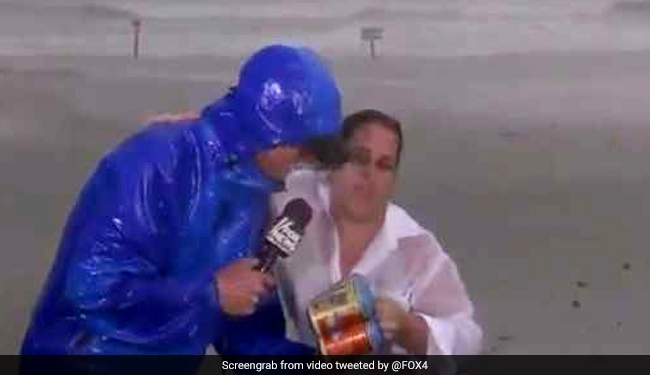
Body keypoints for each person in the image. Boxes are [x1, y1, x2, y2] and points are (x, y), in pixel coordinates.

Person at [20, 44, 345, 362]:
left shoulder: (254, 196)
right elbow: (94, 288)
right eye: (302, 148)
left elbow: (244, 336)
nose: (303, 162)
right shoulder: (156, 162)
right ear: (271, 134)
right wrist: (211, 294)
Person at [272, 109, 483, 359]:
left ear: (394, 180)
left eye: (384, 166)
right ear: (331, 164)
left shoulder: (414, 249)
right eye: (359, 159)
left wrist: (407, 327)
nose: (369, 176)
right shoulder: (293, 196)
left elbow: (468, 339)